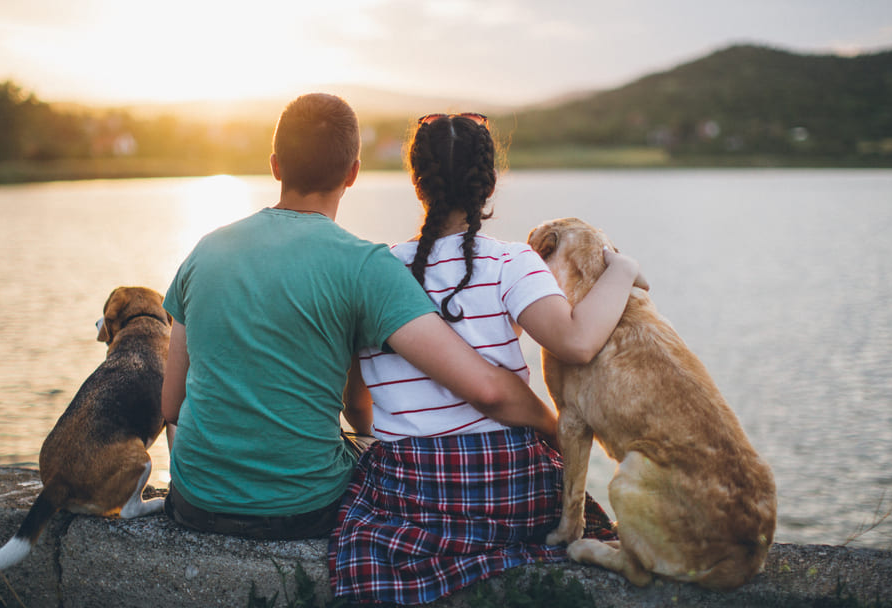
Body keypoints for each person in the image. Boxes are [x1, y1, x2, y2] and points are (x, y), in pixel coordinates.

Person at [160, 95, 558, 540]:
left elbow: (171, 404)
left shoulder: (205, 251)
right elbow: (485, 388)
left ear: (275, 166)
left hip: (193, 502)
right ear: (353, 173)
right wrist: (553, 428)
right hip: (303, 509)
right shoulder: (363, 265)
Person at [328, 112, 644, 605]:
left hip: (411, 487)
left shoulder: (377, 271)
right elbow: (578, 343)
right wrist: (621, 270)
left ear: (418, 183)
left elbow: (357, 404)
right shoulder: (510, 261)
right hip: (506, 482)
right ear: (489, 182)